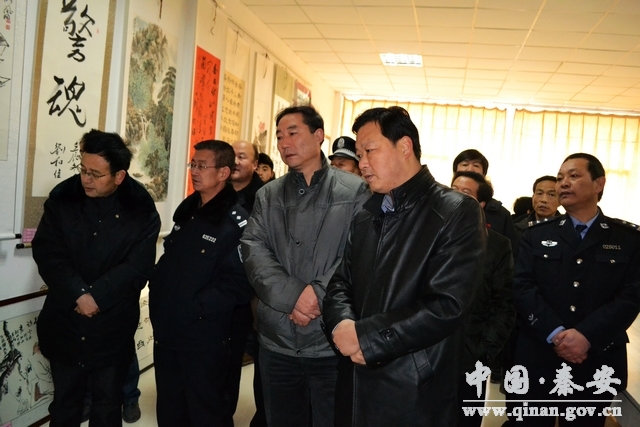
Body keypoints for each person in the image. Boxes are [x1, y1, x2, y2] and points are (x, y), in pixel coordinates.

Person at [323, 106, 486, 427]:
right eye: (359, 154)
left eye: (370, 150)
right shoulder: (367, 214)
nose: (362, 163)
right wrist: (341, 324)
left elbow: (447, 304)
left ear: (405, 146)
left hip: (413, 388)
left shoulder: (455, 212)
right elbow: (341, 282)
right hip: (354, 380)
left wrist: (367, 338)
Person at [241, 105, 370, 427]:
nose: (284, 143)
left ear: (318, 135)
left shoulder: (355, 191)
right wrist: (293, 296)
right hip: (277, 338)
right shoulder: (268, 195)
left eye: (293, 133)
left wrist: (317, 295)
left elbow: (359, 253)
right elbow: (253, 248)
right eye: (279, 136)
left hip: (331, 338)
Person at [32, 129, 160, 427]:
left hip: (111, 323)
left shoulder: (141, 208)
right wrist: (79, 293)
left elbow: (137, 266)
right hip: (66, 318)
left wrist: (97, 297)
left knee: (107, 404)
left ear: (119, 176)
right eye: (83, 170)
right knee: (65, 402)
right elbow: (48, 251)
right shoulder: (63, 197)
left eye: (96, 174)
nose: (86, 179)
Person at [505, 153, 640, 426]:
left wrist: (586, 335)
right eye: (560, 178)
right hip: (539, 355)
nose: (563, 183)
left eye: (574, 176)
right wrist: (556, 334)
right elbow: (522, 287)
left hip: (596, 357)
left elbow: (632, 295)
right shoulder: (536, 234)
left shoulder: (628, 239)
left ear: (599, 184)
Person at [149, 140, 254, 426]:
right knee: (170, 409)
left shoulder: (237, 222)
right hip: (169, 332)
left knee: (206, 411)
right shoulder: (188, 211)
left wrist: (193, 308)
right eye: (192, 164)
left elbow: (239, 283)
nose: (194, 171)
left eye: (202, 166)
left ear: (223, 173)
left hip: (207, 338)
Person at [451, 171, 516, 427]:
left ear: (481, 204)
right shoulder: (427, 236)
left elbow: (505, 304)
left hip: (472, 354)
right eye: (452, 189)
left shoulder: (497, 246)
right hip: (429, 352)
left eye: (465, 193)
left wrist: (484, 351)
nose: (455, 196)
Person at [228, 140, 266, 427]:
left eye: (242, 156)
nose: (236, 161)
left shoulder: (264, 198)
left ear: (255, 164)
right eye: (232, 156)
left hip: (253, 294)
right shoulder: (217, 192)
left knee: (260, 370)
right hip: (222, 294)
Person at [453, 149, 518, 251]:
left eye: (476, 165)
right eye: (465, 164)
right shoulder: (439, 206)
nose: (470, 169)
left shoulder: (500, 214)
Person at [514, 175, 561, 240]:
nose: (544, 200)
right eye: (539, 193)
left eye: (551, 195)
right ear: (533, 197)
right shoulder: (516, 228)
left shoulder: (568, 229)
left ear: (560, 200)